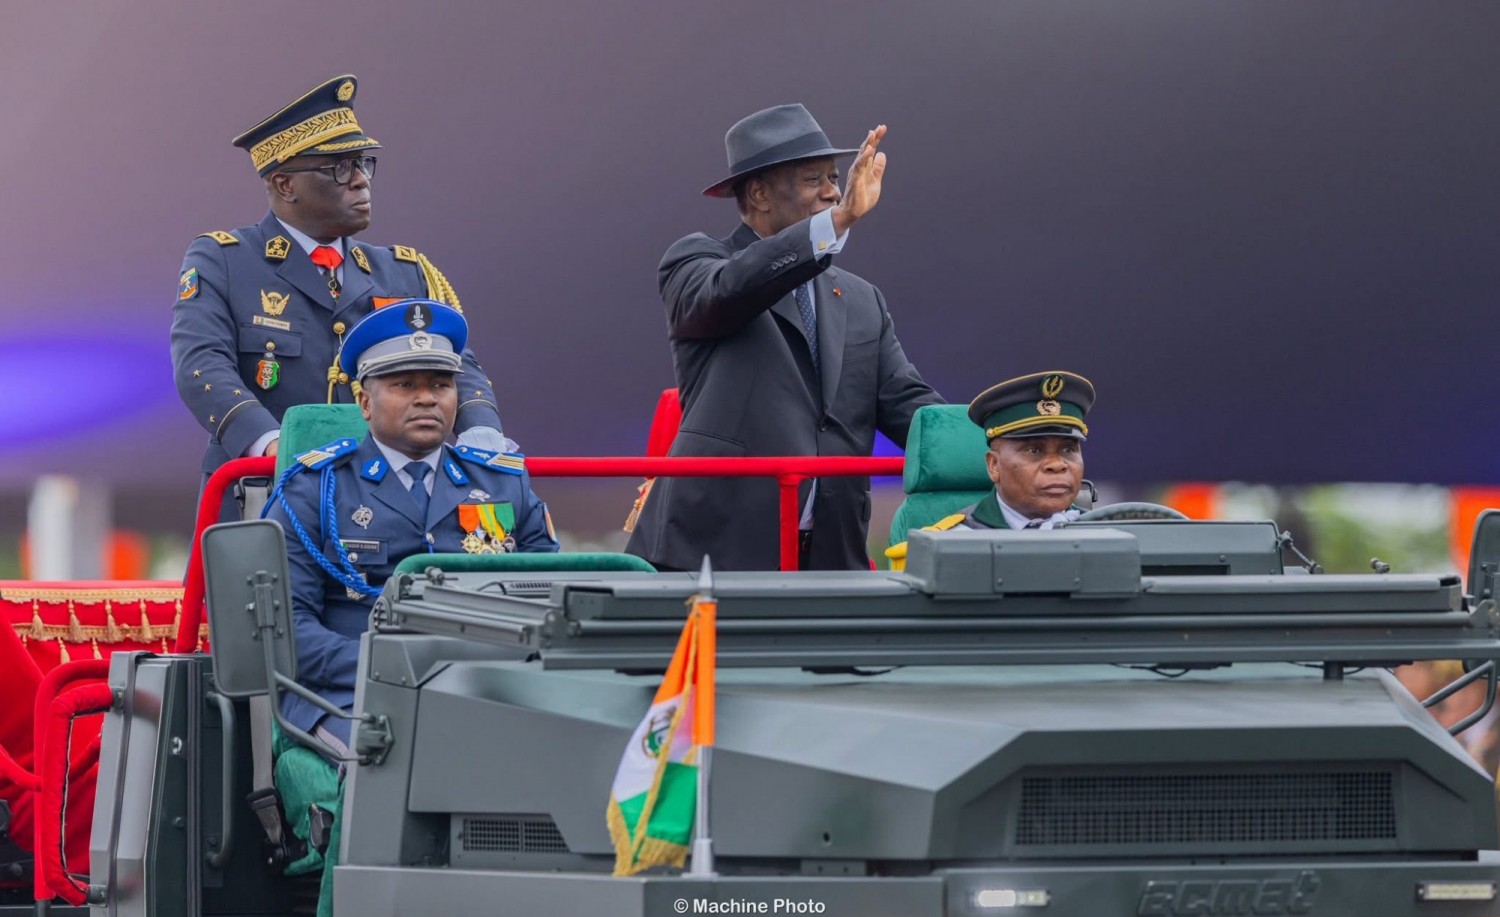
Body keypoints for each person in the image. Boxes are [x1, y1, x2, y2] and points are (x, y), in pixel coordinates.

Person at [626, 103, 943, 572]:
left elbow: (908, 405)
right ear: (759, 193)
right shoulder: (697, 262)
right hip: (717, 550)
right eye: (815, 180)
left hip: (832, 551)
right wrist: (834, 227)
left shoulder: (860, 299)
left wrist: (1006, 442)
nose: (834, 194)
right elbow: (730, 290)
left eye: (835, 179)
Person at [171, 74, 511, 487]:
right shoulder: (224, 260)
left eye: (364, 163)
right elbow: (201, 366)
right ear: (285, 184)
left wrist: (481, 428)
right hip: (266, 489)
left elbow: (458, 363)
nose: (361, 179)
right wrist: (274, 444)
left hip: (382, 493)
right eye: (340, 167)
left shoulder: (402, 270)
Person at [266, 299, 557, 752]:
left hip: (487, 687)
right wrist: (398, 664)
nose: (427, 398)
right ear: (364, 401)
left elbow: (551, 599)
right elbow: (287, 627)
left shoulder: (504, 483)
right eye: (404, 384)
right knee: (413, 755)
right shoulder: (315, 487)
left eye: (441, 384)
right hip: (353, 692)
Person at [885, 371, 1095, 570]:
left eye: (1068, 449)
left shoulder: (1110, 534)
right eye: (1034, 450)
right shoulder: (944, 548)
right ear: (994, 466)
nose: (1057, 464)